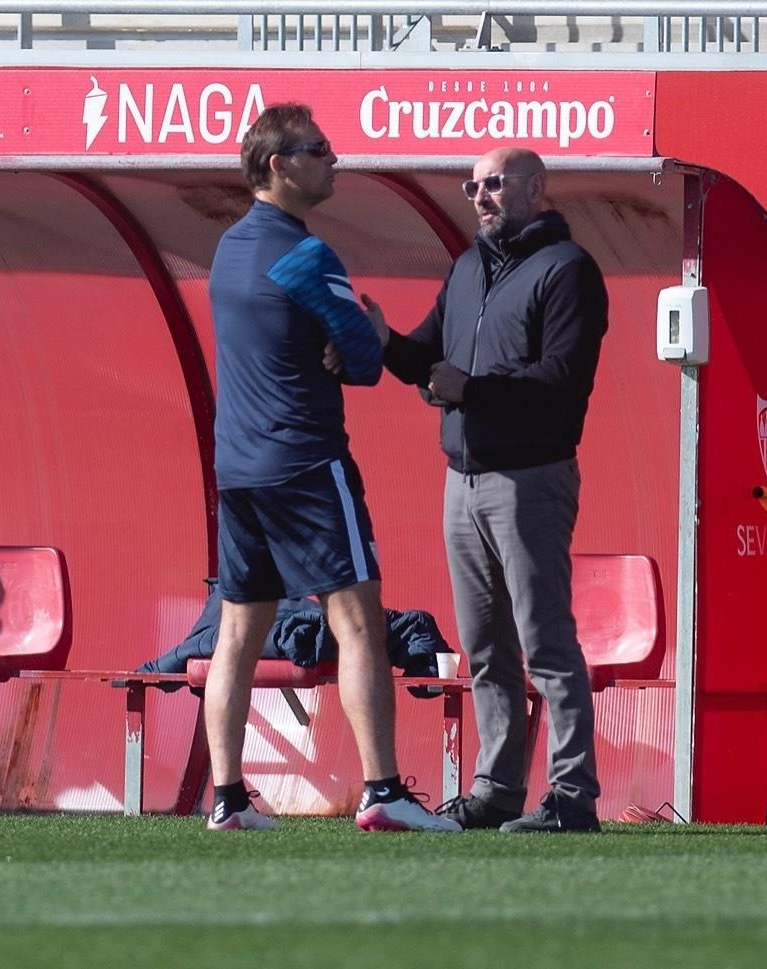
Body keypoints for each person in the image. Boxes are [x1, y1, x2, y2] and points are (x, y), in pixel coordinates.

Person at [202, 103, 460, 833]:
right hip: (307, 461)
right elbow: (370, 358)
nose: (333, 158)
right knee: (358, 622)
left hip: (238, 469)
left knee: (237, 634)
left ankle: (226, 798)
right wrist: (362, 341)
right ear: (278, 165)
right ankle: (383, 790)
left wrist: (340, 348)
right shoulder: (307, 255)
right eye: (318, 149)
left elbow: (299, 342)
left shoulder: (226, 248)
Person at [367, 148, 610, 832]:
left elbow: (562, 382)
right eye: (473, 185)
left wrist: (468, 390)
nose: (480, 196)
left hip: (530, 479)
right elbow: (426, 352)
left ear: (537, 188)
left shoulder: (568, 271)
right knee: (485, 648)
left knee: (546, 643)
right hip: (463, 482)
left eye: (496, 183)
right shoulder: (470, 267)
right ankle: (498, 790)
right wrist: (382, 341)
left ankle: (571, 797)